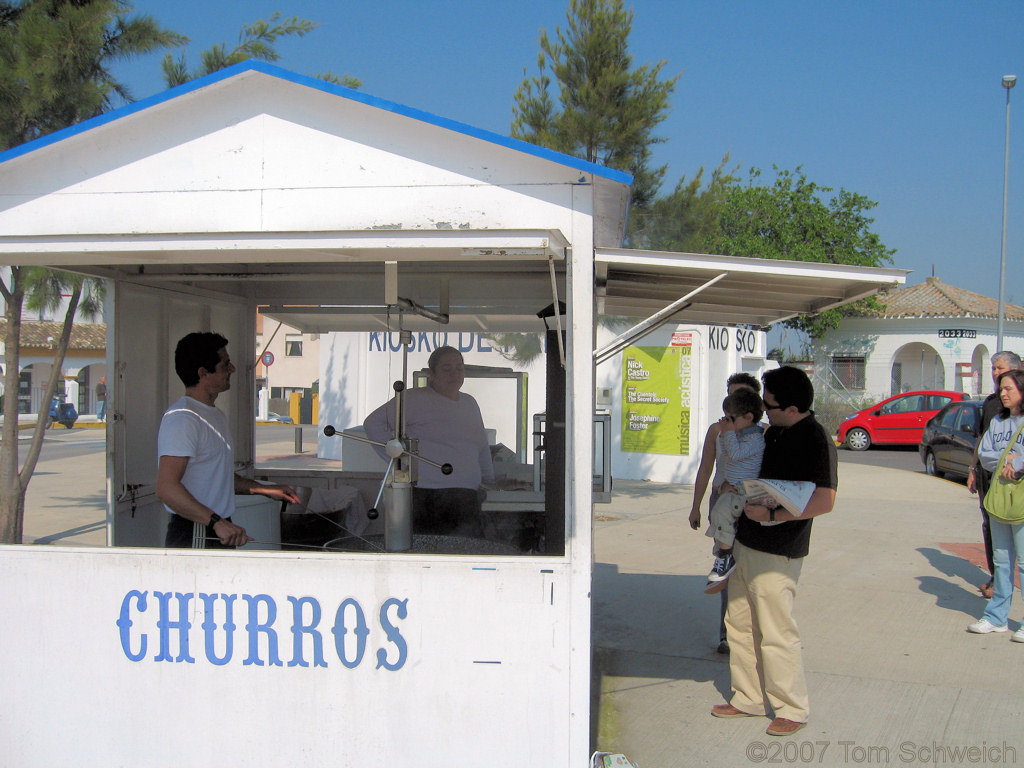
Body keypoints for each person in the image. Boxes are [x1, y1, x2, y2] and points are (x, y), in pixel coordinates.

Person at [711, 366, 838, 738]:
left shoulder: (815, 438)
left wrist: (773, 514)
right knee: (739, 622)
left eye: (769, 405)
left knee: (776, 629)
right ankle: (748, 697)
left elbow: (825, 500)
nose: (764, 410)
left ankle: (791, 707)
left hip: (780, 549)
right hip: (747, 540)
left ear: (794, 408)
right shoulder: (774, 431)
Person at [156, 332, 299, 549]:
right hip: (196, 531)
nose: (231, 370)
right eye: (225, 365)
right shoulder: (183, 419)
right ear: (203, 373)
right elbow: (167, 488)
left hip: (215, 527)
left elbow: (218, 477)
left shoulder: (214, 414)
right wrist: (216, 522)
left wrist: (264, 489)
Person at [364, 345, 494, 538]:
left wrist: (490, 481)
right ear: (432, 374)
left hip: (467, 497)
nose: (455, 374)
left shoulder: (470, 403)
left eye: (459, 367)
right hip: (428, 495)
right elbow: (373, 424)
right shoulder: (415, 399)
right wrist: (402, 459)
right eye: (447, 369)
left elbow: (481, 446)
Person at [689, 371, 761, 654]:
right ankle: (727, 634)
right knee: (725, 566)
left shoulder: (762, 433)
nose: (734, 402)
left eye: (741, 396)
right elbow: (706, 468)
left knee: (750, 567)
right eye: (731, 395)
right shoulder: (717, 430)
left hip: (751, 500)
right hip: (722, 499)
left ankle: (752, 631)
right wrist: (695, 506)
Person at [968, 368, 1024, 639]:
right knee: (1002, 561)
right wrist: (1007, 460)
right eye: (1001, 388)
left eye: (1008, 389)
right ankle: (996, 617)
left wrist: (1019, 463)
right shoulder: (998, 422)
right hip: (1000, 497)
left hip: (1022, 501)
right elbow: (985, 453)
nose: (1002, 393)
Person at [700, 389, 765, 592]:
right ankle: (723, 551)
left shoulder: (755, 439)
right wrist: (727, 432)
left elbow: (735, 455)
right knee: (719, 515)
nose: (726, 422)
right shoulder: (738, 435)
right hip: (733, 488)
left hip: (744, 493)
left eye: (731, 418)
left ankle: (725, 556)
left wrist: (727, 433)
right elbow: (728, 455)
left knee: (720, 514)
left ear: (749, 417)